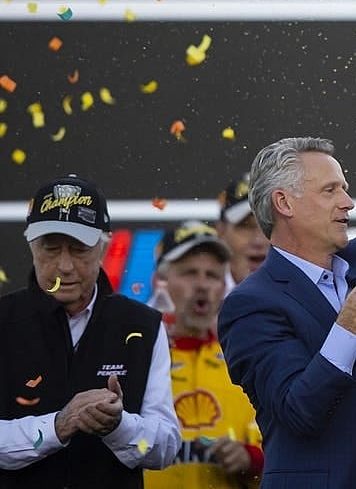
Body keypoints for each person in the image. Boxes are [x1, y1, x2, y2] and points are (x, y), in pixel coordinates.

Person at [217, 136, 356, 489]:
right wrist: (353, 312)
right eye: (330, 191)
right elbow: (300, 411)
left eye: (345, 189)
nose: (348, 202)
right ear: (284, 203)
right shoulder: (251, 305)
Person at [0, 174, 181, 487]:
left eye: (80, 249)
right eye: (52, 249)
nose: (65, 266)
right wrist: (57, 426)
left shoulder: (143, 325)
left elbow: (165, 448)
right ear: (32, 247)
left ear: (103, 246)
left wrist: (118, 426)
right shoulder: (3, 320)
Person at [144, 220, 263, 489]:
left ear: (223, 287)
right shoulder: (136, 357)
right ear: (160, 281)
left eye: (212, 276)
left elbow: (281, 452)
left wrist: (248, 459)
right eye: (189, 273)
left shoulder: (243, 359)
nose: (202, 285)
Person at [214, 173, 270, 291]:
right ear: (221, 231)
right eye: (246, 226)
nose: (258, 240)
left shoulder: (311, 299)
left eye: (269, 225)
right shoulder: (191, 299)